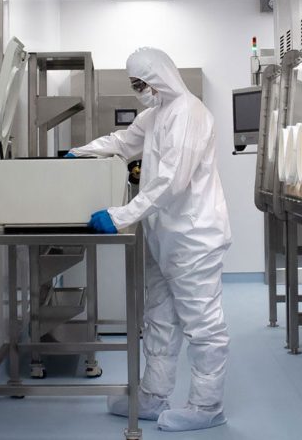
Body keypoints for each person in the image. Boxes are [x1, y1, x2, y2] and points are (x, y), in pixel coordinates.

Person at [66, 47, 232, 432]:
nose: (141, 91)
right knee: (158, 319)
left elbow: (171, 182)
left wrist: (120, 216)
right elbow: (123, 142)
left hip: (194, 236)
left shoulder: (189, 113)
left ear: (162, 77)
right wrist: (78, 152)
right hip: (162, 236)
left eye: (144, 83)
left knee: (202, 324)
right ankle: (154, 397)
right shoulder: (155, 117)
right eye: (135, 86)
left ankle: (208, 406)